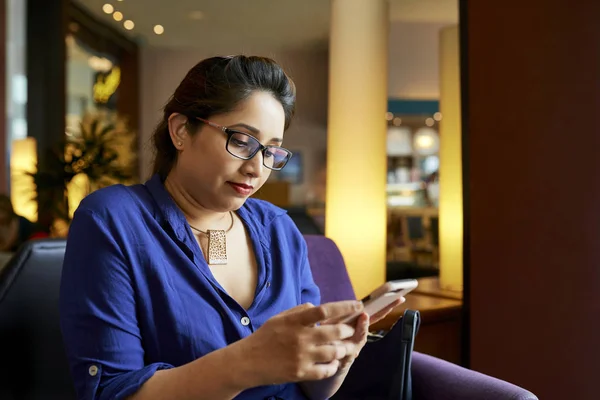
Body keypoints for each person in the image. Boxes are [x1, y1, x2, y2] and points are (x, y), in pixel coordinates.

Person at [59, 55, 403, 400]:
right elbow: (111, 392)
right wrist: (249, 361)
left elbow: (312, 390)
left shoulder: (278, 229)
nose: (257, 168)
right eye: (241, 141)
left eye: (271, 151)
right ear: (181, 130)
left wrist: (339, 355)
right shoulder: (114, 220)